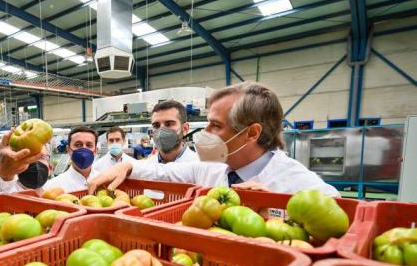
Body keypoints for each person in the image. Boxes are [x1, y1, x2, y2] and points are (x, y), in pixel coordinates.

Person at [88, 82, 339, 197]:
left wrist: (283, 209)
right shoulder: (214, 168)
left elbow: (340, 220)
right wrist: (127, 165)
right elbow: (163, 174)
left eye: (215, 125)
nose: (204, 132)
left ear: (251, 133)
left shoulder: (300, 185)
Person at [0, 126, 98, 194]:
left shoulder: (104, 179)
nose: (83, 149)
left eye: (41, 157)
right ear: (68, 150)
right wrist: (3, 173)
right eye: (78, 145)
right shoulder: (52, 189)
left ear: (50, 168)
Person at [139, 100, 199, 164]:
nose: (161, 131)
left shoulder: (201, 166)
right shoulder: (146, 166)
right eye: (156, 125)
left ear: (185, 129)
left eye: (169, 124)